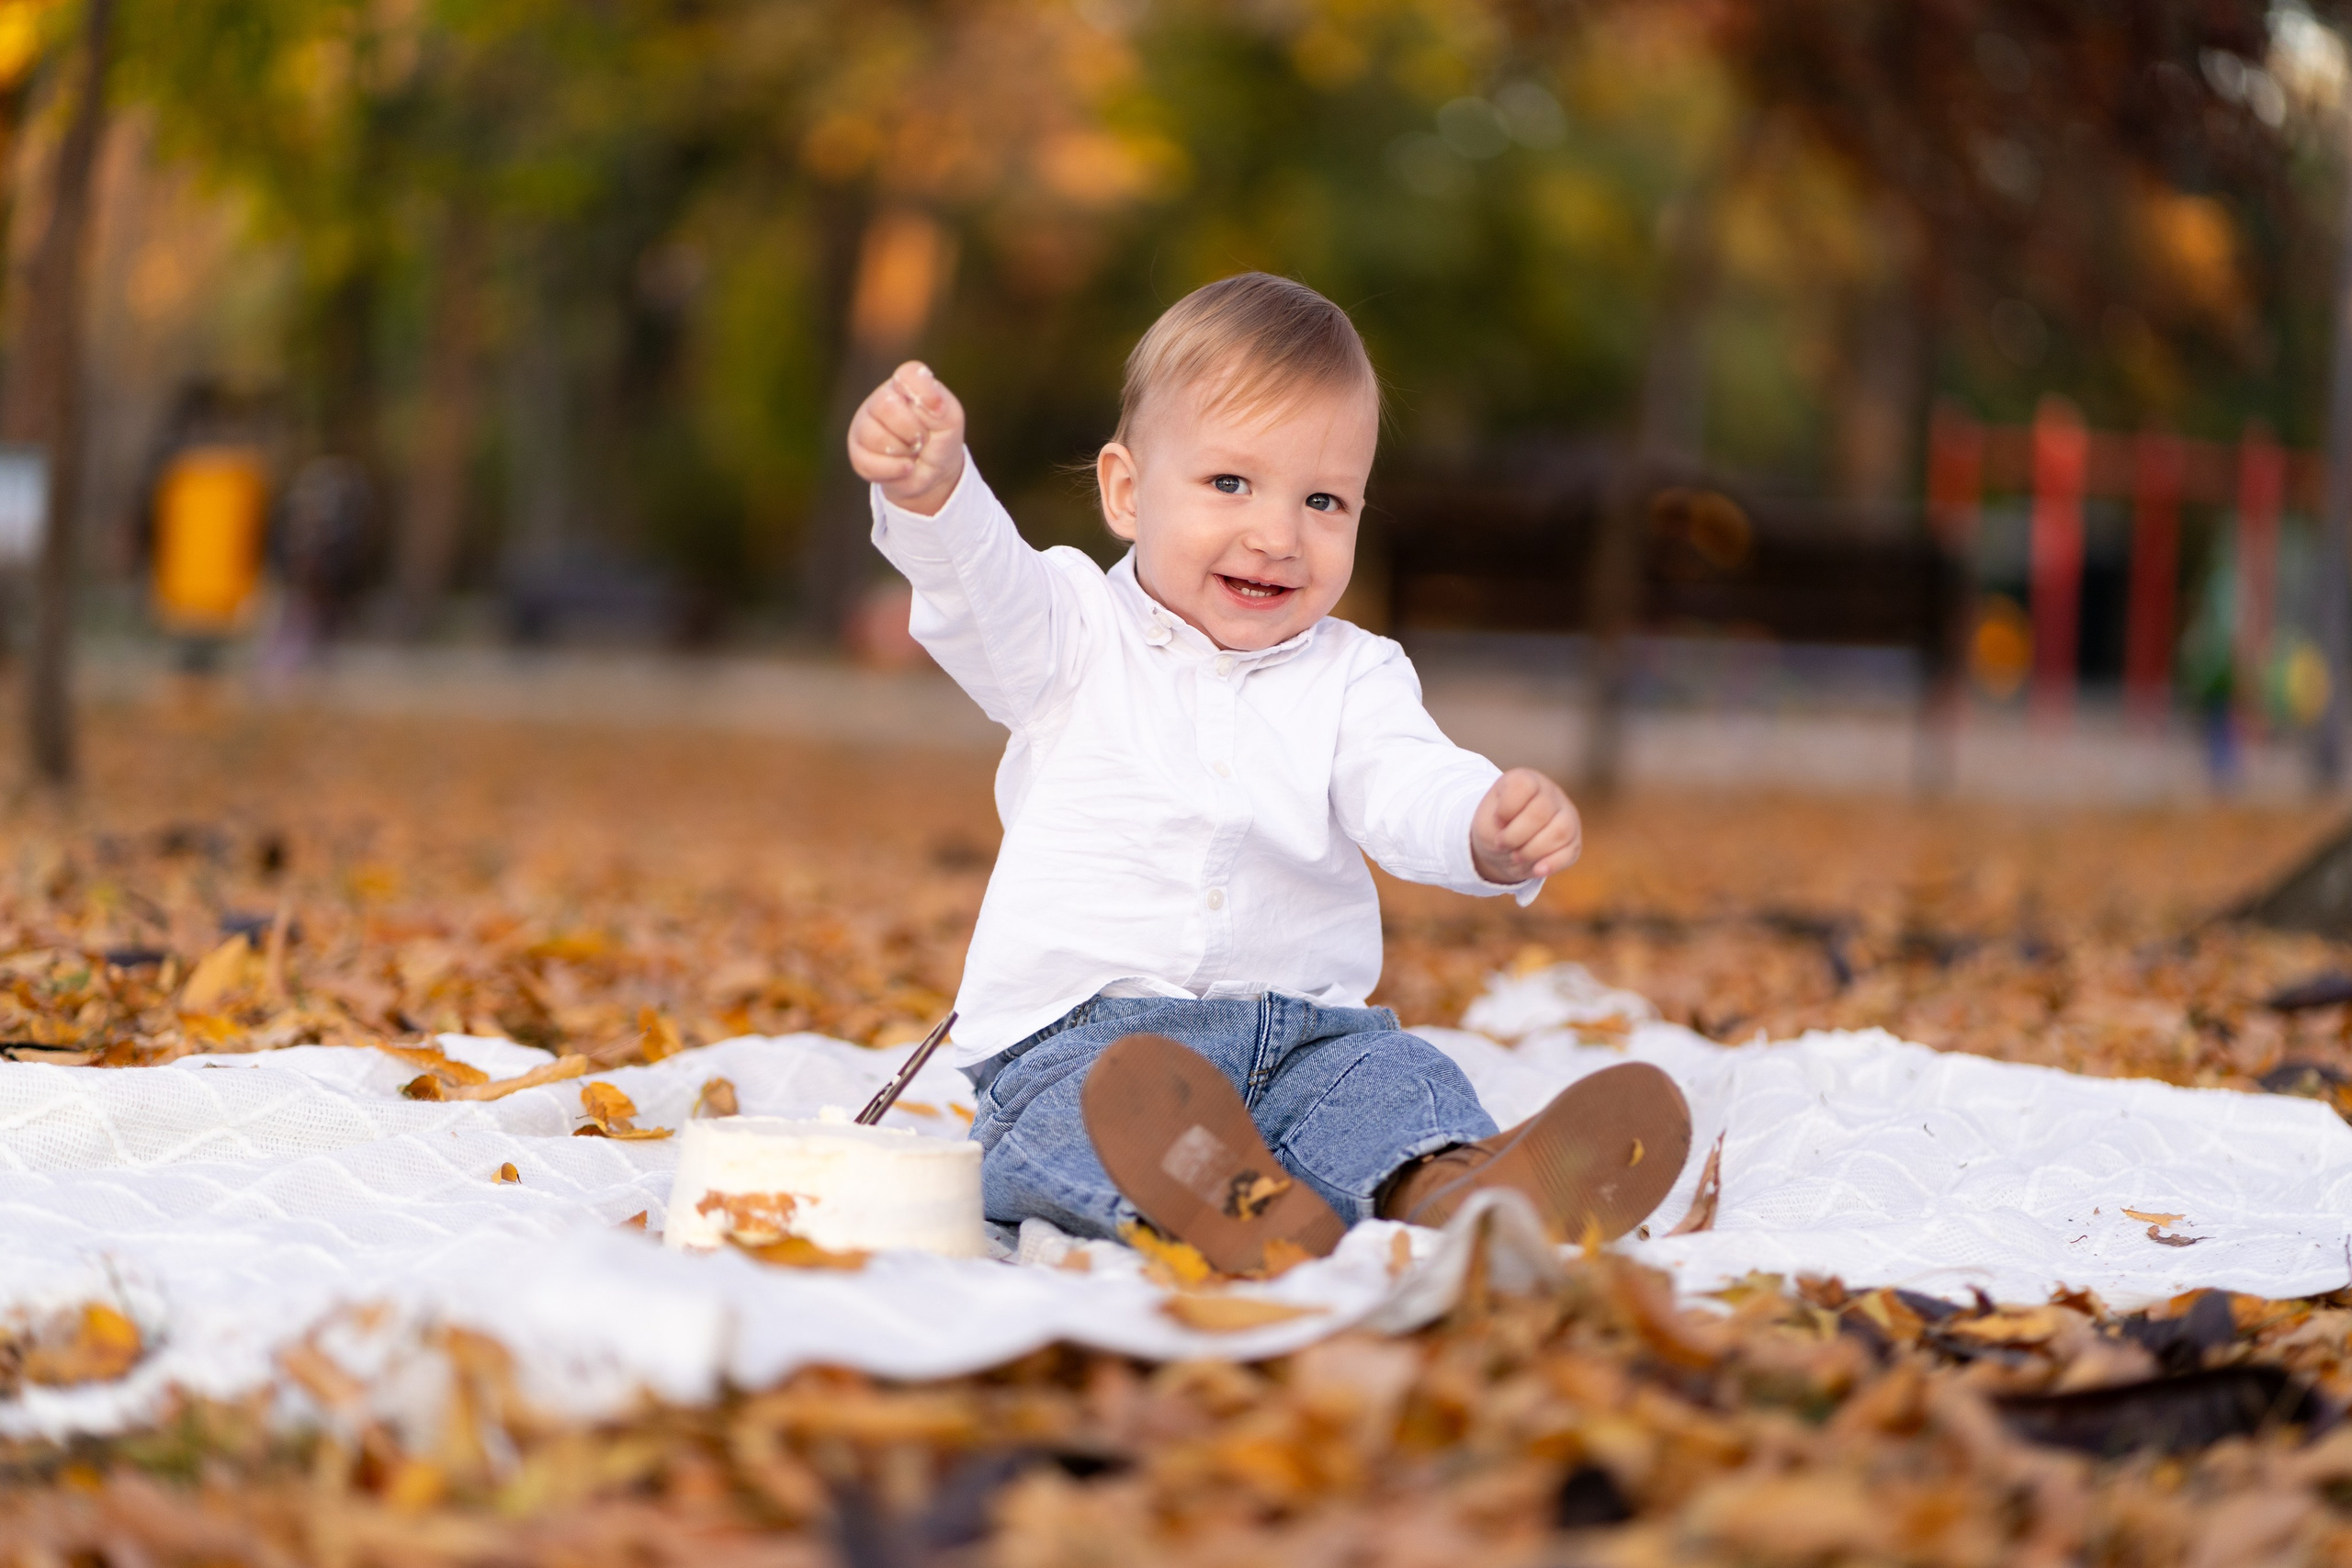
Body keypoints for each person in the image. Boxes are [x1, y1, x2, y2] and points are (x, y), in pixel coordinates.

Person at [851, 273, 1690, 1272]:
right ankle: (1218, 1201)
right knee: (1087, 1119)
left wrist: (1481, 823)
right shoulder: (1069, 631)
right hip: (1085, 1044)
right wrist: (937, 497)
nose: (1279, 535)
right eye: (1230, 484)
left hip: (1302, 1042)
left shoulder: (1355, 674)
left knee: (1392, 1079)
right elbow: (984, 587)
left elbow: (1405, 778)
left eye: (1323, 500)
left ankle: (1453, 1188)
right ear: (1126, 492)